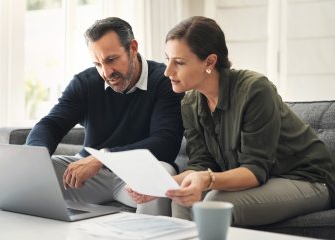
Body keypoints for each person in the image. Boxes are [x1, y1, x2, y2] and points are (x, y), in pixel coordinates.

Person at [128, 16, 335, 226]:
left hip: (306, 178)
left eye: (179, 62)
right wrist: (163, 186)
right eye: (168, 60)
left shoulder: (254, 89)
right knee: (182, 197)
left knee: (215, 202)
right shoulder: (190, 102)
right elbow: (201, 164)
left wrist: (207, 179)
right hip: (265, 178)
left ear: (210, 62)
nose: (167, 71)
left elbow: (255, 170)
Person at [26, 17, 184, 216]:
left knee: (162, 174)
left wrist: (103, 158)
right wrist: (33, 159)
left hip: (134, 175)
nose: (106, 72)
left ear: (133, 48)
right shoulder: (85, 83)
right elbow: (51, 125)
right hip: (90, 176)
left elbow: (165, 142)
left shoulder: (164, 81)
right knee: (29, 174)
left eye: (111, 60)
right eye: (98, 64)